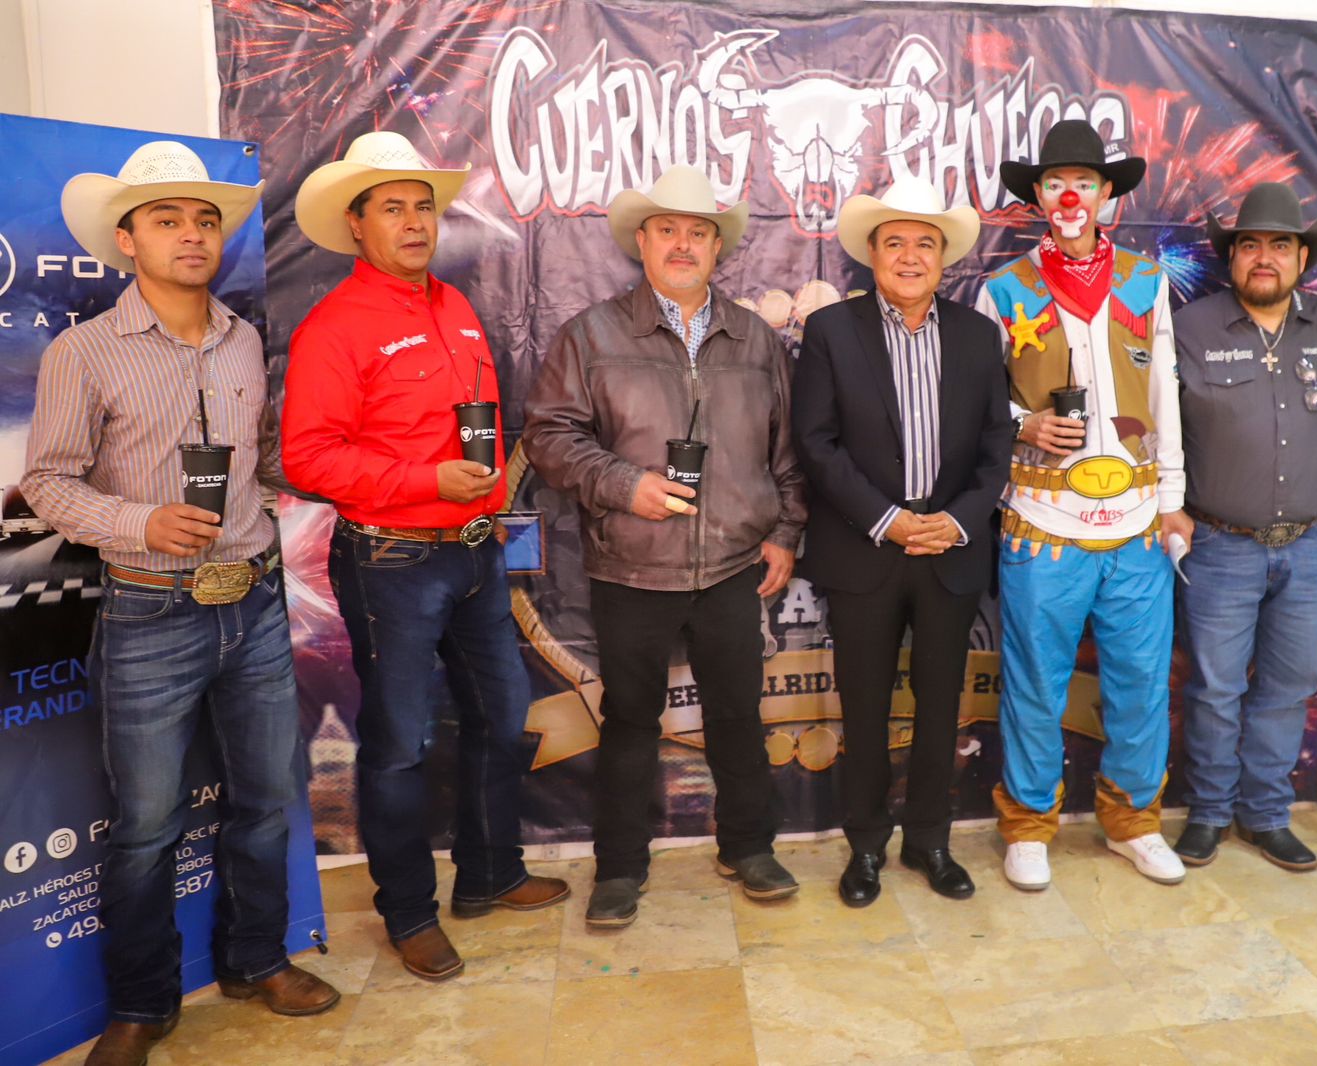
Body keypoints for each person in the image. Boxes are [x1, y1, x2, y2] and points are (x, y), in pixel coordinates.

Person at [22, 141, 339, 1066]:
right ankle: (140, 1004)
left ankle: (257, 959)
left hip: (255, 603)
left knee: (265, 799)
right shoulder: (84, 353)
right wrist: (140, 521)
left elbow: (263, 459)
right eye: (167, 219)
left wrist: (322, 475)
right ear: (127, 241)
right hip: (149, 610)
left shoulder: (243, 340)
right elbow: (47, 482)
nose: (192, 234)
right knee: (147, 826)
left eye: (205, 220)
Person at [282, 131, 568, 982]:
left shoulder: (455, 307)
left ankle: (490, 873)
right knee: (399, 745)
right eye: (393, 208)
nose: (414, 222)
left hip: (476, 554)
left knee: (501, 718)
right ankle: (408, 912)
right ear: (356, 224)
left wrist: (478, 495)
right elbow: (307, 459)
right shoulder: (335, 326)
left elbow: (477, 427)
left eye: (423, 207)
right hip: (392, 562)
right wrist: (425, 480)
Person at [524, 166, 807, 927]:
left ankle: (748, 847)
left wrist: (785, 532)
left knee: (738, 715)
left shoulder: (755, 339)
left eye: (698, 231)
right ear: (642, 241)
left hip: (733, 567)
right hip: (631, 567)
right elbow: (549, 436)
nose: (683, 244)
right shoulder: (591, 335)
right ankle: (620, 868)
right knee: (629, 722)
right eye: (668, 229)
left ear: (718, 246)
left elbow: (786, 452)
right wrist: (625, 485)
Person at [974, 119, 1192, 889]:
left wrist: (1173, 499)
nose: (1071, 196)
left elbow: (1165, 392)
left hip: (1135, 521)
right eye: (1056, 183)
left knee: (1140, 681)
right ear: (1038, 195)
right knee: (1036, 681)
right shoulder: (1004, 288)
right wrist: (1021, 423)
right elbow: (976, 399)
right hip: (1044, 520)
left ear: (1106, 195)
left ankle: (1133, 820)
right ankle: (1029, 823)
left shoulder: (1145, 281)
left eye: (1085, 183)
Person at [792, 179, 1012, 906]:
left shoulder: (977, 335)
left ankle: (929, 840)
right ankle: (865, 847)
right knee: (864, 707)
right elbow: (816, 443)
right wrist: (887, 519)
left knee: (941, 705)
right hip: (866, 549)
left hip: (950, 549)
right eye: (895, 242)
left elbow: (997, 446)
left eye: (924, 243)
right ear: (871, 254)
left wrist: (958, 521)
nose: (910, 256)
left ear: (944, 258)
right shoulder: (831, 331)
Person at [1170, 182, 1317, 871]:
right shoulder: (1190, 328)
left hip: (1309, 546)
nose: (1265, 257)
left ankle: (1267, 814)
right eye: (1250, 244)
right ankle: (1210, 813)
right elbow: (1156, 429)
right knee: (1215, 688)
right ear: (1232, 257)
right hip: (1221, 544)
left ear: (1303, 258)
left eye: (1281, 245)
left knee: (1289, 684)